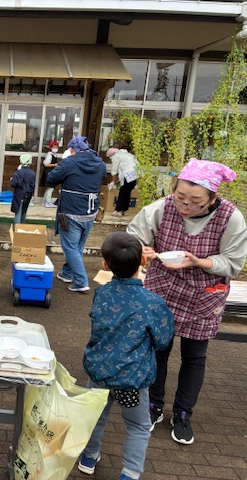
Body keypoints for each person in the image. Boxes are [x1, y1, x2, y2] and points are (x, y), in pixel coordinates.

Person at [127, 158, 247, 445]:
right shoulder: (161, 208)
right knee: (159, 350)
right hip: (162, 289)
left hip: (203, 295)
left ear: (213, 198)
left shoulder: (231, 218)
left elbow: (233, 263)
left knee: (194, 356)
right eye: (180, 196)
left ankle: (182, 413)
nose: (185, 205)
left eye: (195, 201)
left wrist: (199, 261)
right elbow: (133, 236)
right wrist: (141, 248)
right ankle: (154, 405)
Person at [78, 232, 174, 480]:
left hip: (100, 372)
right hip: (132, 378)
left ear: (105, 265)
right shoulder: (152, 303)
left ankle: (89, 457)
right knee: (138, 426)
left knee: (95, 417)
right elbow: (163, 339)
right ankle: (130, 473)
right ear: (143, 261)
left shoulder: (102, 293)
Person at [46, 136, 106, 293]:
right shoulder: (100, 163)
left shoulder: (69, 162)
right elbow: (102, 178)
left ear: (73, 150)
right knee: (78, 245)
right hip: (91, 211)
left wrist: (65, 167)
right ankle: (67, 273)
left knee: (71, 247)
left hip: (71, 211)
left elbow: (50, 179)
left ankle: (81, 281)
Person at [106, 147, 139, 217]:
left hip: (127, 175)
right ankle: (124, 210)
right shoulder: (128, 155)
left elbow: (114, 170)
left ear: (112, 155)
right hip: (135, 174)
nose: (110, 159)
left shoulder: (116, 156)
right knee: (127, 192)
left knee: (122, 192)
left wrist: (113, 182)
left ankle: (118, 211)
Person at [10, 153, 37, 224]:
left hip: (19, 194)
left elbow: (13, 184)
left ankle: (17, 227)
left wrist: (12, 180)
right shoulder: (32, 173)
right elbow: (33, 185)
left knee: (18, 212)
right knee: (24, 211)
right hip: (28, 194)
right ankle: (22, 226)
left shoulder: (18, 173)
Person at [42, 140, 60, 208]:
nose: (55, 148)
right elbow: (46, 164)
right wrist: (55, 165)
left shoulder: (54, 155)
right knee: (50, 188)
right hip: (48, 173)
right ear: (50, 147)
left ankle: (45, 201)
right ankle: (47, 202)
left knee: (48, 188)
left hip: (51, 172)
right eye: (54, 147)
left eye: (56, 147)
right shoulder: (49, 155)